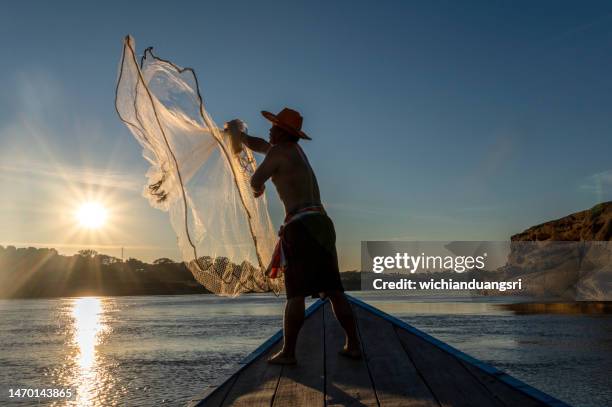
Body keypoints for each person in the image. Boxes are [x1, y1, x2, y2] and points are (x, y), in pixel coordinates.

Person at [232, 107, 361, 365]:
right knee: (335, 290)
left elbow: (256, 179)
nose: (269, 128)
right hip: (322, 223)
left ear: (281, 132)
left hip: (300, 226)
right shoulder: (295, 152)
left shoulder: (279, 152)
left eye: (274, 126)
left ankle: (289, 353)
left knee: (295, 293)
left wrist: (257, 188)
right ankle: (354, 345)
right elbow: (260, 145)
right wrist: (242, 138)